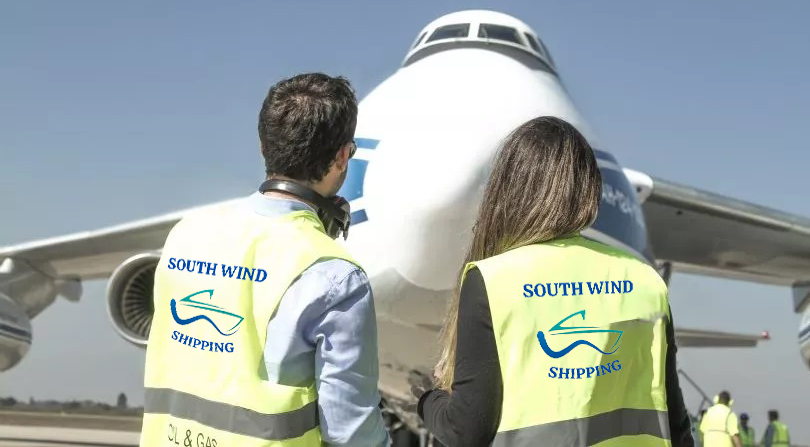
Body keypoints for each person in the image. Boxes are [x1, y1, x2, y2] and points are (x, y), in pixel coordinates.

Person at [139, 73, 390, 446]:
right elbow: (351, 432)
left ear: (262, 146)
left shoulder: (185, 235)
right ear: (342, 156)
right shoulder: (333, 274)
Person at [414, 116, 694, 446]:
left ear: (509, 188)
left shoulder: (493, 280)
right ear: (589, 188)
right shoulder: (645, 281)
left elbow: (467, 430)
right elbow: (675, 424)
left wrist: (426, 400)